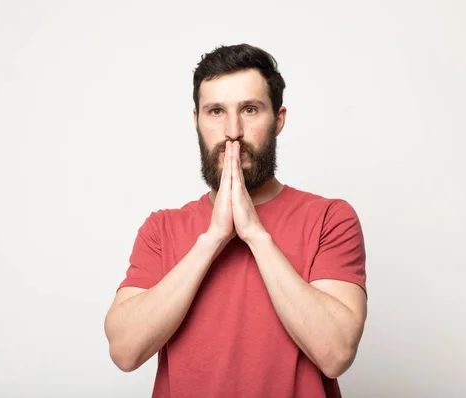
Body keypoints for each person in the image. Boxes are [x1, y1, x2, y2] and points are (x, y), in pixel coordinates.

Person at [104, 43, 368, 398]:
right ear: (196, 120)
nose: (232, 131)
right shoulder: (161, 229)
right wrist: (213, 237)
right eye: (215, 111)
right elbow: (124, 351)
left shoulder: (330, 218)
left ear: (278, 119)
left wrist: (256, 235)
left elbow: (335, 353)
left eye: (249, 109)